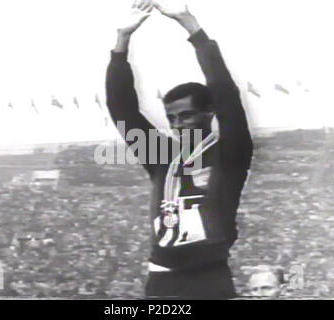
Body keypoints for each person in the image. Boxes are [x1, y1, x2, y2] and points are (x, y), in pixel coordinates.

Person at [105, 0, 253, 299]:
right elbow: (122, 109)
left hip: (210, 277)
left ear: (209, 112)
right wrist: (122, 42)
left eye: (185, 115)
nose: (177, 124)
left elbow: (226, 94)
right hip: (162, 278)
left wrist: (190, 25)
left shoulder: (230, 153)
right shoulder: (162, 157)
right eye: (171, 118)